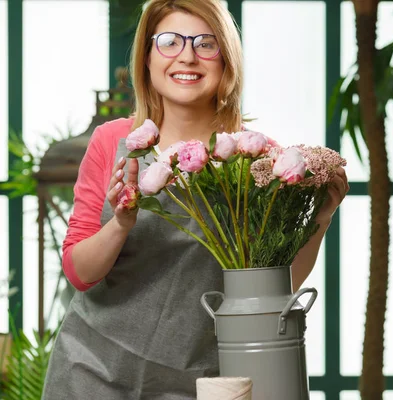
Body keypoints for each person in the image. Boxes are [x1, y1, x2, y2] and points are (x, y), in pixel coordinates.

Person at [42, 0, 349, 398]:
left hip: (202, 380)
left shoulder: (258, 159)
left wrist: (319, 220)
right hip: (92, 371)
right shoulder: (112, 142)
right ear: (147, 58)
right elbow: (80, 273)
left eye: (206, 44)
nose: (187, 56)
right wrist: (120, 223)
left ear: (226, 61)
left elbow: (274, 288)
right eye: (169, 41)